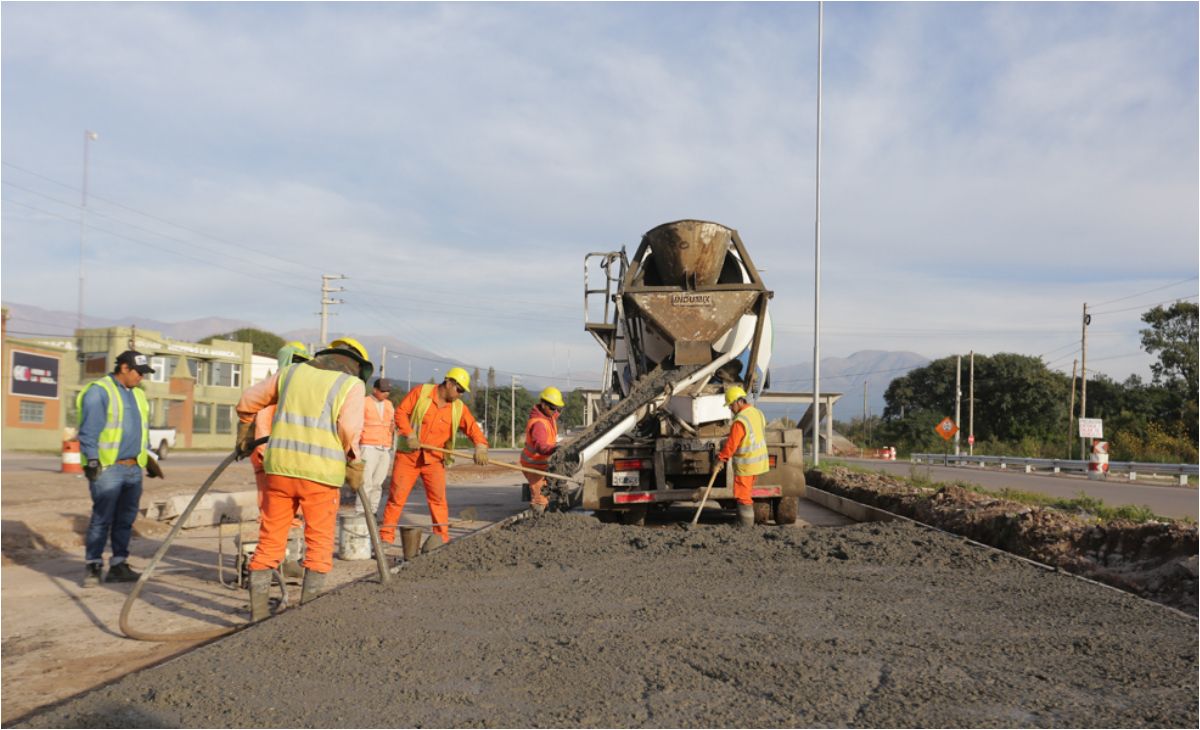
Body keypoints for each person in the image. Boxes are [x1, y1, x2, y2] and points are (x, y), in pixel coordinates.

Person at [235, 337, 371, 621]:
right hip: (320, 477)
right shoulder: (351, 385)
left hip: (280, 471)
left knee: (270, 541)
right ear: (356, 366)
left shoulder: (291, 373)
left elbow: (248, 400)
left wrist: (245, 429)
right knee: (319, 543)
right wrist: (354, 461)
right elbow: (348, 427)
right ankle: (306, 615)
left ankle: (258, 615)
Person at [379, 366, 488, 548]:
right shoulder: (421, 393)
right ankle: (386, 537)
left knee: (438, 500)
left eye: (462, 391)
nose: (460, 394)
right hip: (409, 456)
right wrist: (410, 434)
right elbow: (401, 413)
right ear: (449, 383)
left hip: (434, 459)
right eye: (459, 389)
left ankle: (441, 538)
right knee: (397, 497)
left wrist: (481, 446)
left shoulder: (458, 408)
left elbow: (473, 429)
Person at [77, 350, 160, 586]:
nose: (141, 378)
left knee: (125, 519)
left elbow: (143, 432)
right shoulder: (99, 391)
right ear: (124, 368)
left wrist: (149, 459)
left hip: (134, 468)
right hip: (108, 469)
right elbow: (88, 430)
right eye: (139, 373)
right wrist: (92, 460)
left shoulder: (139, 395)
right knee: (102, 518)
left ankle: (118, 565)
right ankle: (93, 565)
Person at [247, 341, 310, 578]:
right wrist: (270, 461)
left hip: (289, 462)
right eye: (296, 362)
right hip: (270, 462)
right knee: (273, 513)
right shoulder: (273, 389)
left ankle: (287, 559)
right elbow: (263, 433)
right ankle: (270, 564)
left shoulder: (296, 391)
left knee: (293, 515)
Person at [716, 385, 769, 528]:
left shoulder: (740, 421)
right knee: (745, 493)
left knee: (743, 495)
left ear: (740, 402)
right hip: (758, 462)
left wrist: (722, 459)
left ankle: (745, 526)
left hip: (746, 464)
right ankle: (741, 523)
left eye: (731, 405)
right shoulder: (757, 413)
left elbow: (732, 444)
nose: (730, 409)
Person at [520, 386, 564, 516]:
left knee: (549, 493)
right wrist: (554, 449)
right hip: (534, 466)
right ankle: (535, 521)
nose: (554, 411)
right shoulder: (539, 423)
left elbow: (556, 413)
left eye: (557, 408)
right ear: (543, 404)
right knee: (540, 499)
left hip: (543, 464)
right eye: (552, 408)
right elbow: (541, 446)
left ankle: (545, 514)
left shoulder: (548, 416)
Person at [358, 377, 396, 520]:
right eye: (383, 391)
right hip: (368, 446)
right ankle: (361, 512)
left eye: (388, 391)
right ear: (375, 390)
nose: (386, 393)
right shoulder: (364, 403)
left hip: (384, 448)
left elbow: (392, 424)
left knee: (378, 483)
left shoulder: (389, 405)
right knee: (365, 483)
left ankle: (372, 512)